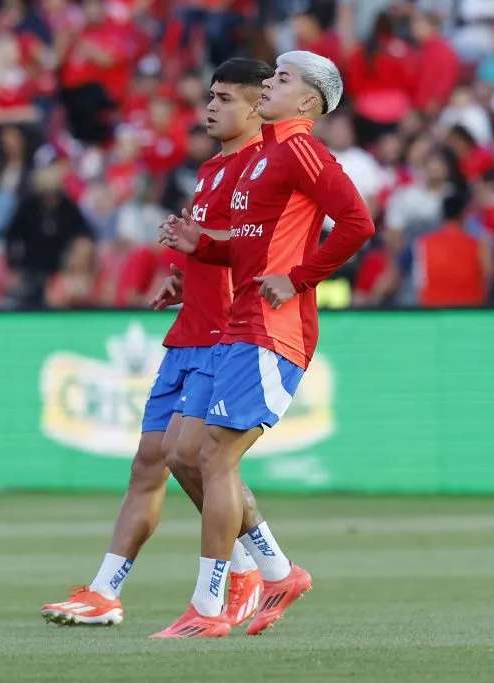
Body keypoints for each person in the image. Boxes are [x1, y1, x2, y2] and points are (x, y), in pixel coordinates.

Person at [40, 58, 282, 629]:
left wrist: (209, 263)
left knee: (198, 459)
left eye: (226, 98)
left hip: (227, 335)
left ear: (256, 107)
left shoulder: (263, 170)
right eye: (211, 96)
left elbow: (260, 247)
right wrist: (183, 277)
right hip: (190, 329)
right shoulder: (212, 170)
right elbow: (213, 248)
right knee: (151, 461)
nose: (212, 106)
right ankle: (106, 591)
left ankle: (258, 567)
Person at [155, 51, 375, 638]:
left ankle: (210, 606)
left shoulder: (302, 147)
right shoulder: (268, 156)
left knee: (215, 456)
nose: (268, 86)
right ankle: (275, 571)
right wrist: (201, 245)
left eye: (281, 79)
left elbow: (357, 222)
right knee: (187, 453)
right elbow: (251, 245)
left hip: (273, 327)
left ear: (308, 102)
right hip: (240, 322)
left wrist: (301, 278)